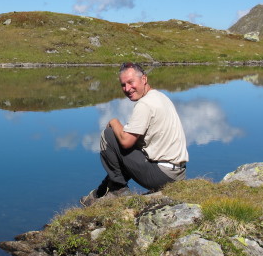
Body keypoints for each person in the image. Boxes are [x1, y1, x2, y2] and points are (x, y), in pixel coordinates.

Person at [81, 62, 189, 206]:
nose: (127, 89)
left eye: (131, 82)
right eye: (123, 85)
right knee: (122, 154)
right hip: (178, 173)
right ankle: (99, 194)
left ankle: (118, 191)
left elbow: (126, 142)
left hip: (163, 176)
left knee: (109, 135)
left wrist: (114, 122)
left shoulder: (144, 105)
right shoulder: (159, 96)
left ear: (144, 79)